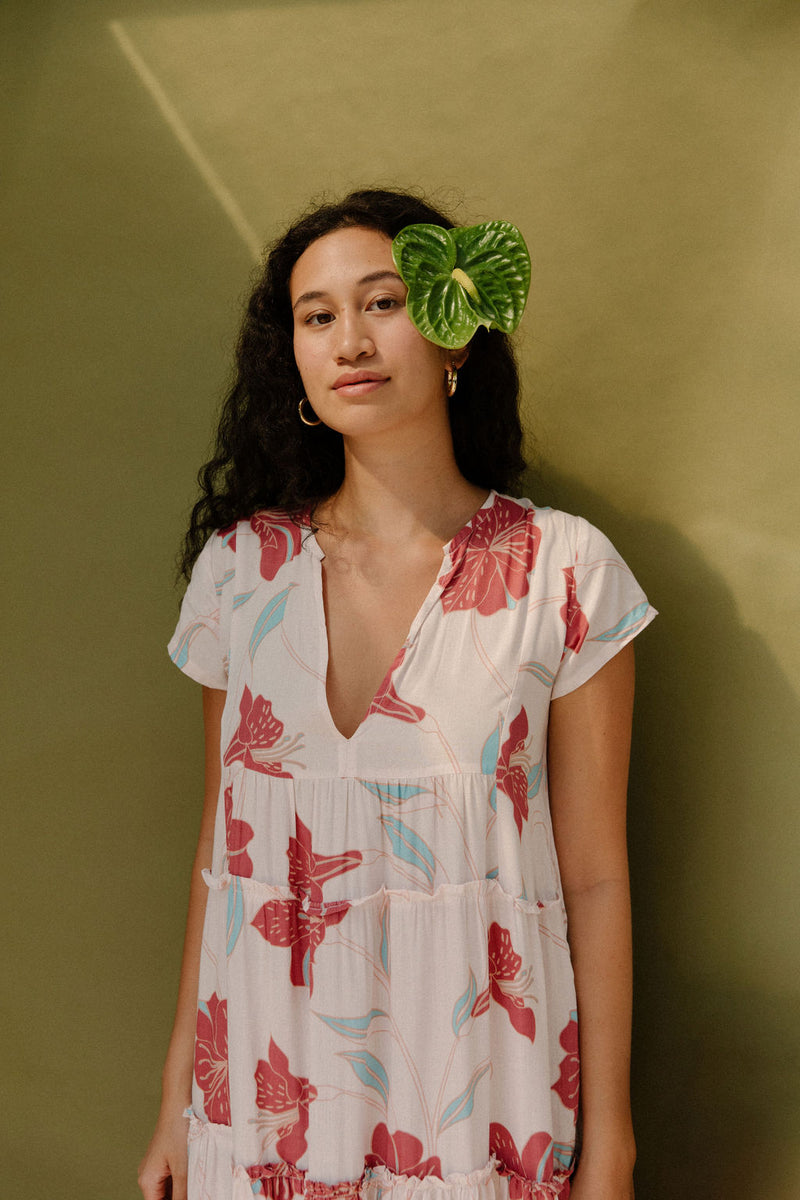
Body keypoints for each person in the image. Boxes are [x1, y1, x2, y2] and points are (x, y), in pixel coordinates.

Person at [139, 188, 656, 1200]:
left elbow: (592, 879)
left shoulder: (564, 573)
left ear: (454, 336)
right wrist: (174, 1103)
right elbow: (221, 861)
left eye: (381, 303)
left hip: (481, 1103)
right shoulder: (239, 575)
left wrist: (611, 1146)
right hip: (262, 1106)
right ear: (289, 358)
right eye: (317, 316)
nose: (350, 340)